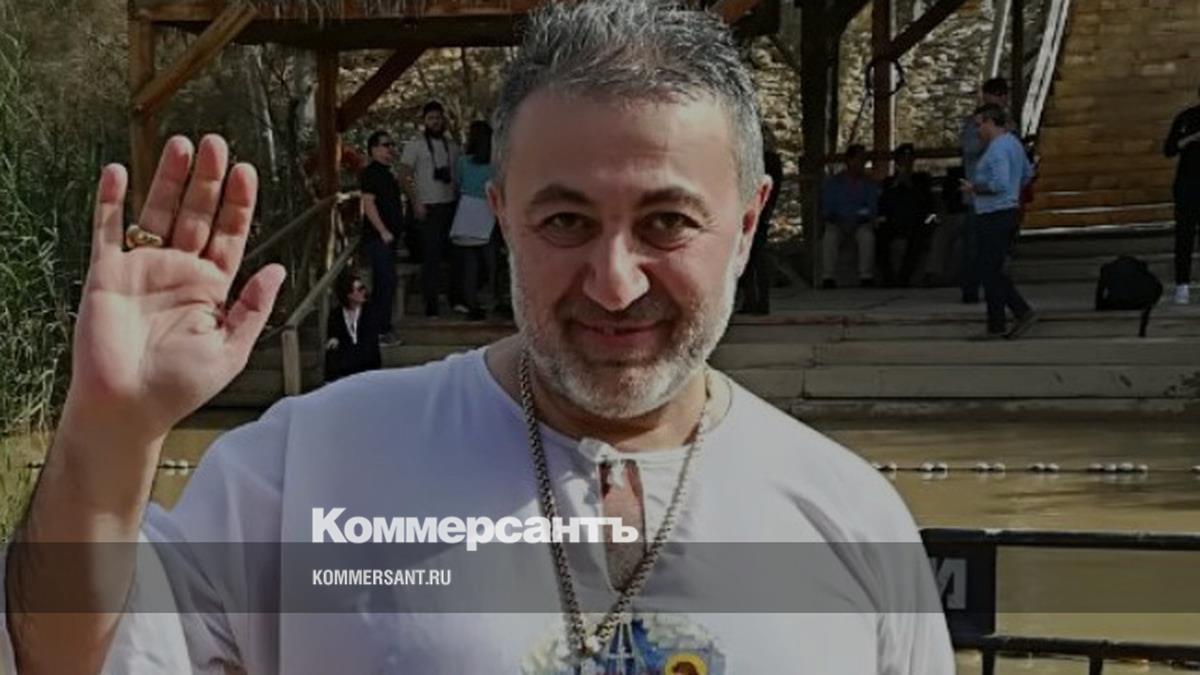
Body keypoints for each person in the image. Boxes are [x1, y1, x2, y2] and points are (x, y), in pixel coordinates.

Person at [2, 3, 954, 673]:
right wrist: (108, 428)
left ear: (747, 223)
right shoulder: (315, 464)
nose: (615, 281)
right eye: (565, 221)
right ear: (500, 215)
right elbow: (60, 659)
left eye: (667, 222)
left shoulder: (849, 518)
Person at [961, 103, 1037, 340]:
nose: (978, 131)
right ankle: (997, 323)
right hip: (1008, 210)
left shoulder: (996, 149)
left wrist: (975, 188)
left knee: (989, 269)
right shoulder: (1014, 144)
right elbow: (1027, 174)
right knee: (992, 268)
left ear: (991, 122)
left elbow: (999, 183)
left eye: (980, 125)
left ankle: (1019, 310)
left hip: (994, 213)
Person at [399, 100, 462, 317]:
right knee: (431, 257)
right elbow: (404, 174)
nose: (435, 122)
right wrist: (415, 201)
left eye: (438, 118)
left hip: (450, 205)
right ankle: (431, 304)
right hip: (428, 206)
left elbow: (457, 176)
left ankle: (456, 299)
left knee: (455, 255)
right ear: (424, 121)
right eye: (431, 118)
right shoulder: (415, 145)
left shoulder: (452, 146)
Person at [959, 77, 1010, 303]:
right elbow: (969, 149)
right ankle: (970, 289)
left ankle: (995, 289)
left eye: (1003, 95)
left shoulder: (1008, 123)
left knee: (998, 247)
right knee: (974, 245)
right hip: (978, 194)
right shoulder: (975, 123)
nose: (1001, 99)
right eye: (996, 94)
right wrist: (989, 135)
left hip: (1002, 195)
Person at [450, 120, 498, 321]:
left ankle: (471, 305)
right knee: (492, 260)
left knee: (470, 262)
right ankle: (495, 299)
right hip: (488, 207)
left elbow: (457, 184)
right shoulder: (495, 164)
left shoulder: (463, 162)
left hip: (466, 208)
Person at [358, 130, 403, 344]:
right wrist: (382, 230)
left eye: (392, 145)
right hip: (378, 238)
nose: (390, 149)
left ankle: (380, 328)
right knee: (385, 282)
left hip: (389, 237)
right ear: (373, 149)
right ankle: (380, 330)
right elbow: (368, 203)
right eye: (385, 145)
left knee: (387, 282)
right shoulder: (371, 173)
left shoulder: (388, 172)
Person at [820, 144, 880, 288]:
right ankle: (828, 277)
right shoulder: (834, 183)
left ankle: (866, 276)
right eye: (858, 159)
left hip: (860, 223)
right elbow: (827, 209)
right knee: (830, 236)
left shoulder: (868, 184)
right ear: (849, 160)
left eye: (863, 160)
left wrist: (858, 219)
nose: (861, 163)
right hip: (838, 223)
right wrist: (840, 221)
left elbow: (871, 207)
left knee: (867, 236)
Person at [737, 126, 783, 314]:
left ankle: (759, 300)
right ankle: (753, 300)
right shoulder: (763, 160)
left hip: (757, 208)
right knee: (751, 256)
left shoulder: (766, 161)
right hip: (755, 208)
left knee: (755, 255)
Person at [876, 143, 935, 287]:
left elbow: (928, 205)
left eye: (909, 158)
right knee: (880, 235)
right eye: (902, 158)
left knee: (918, 237)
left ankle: (904, 277)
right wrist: (896, 184)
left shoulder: (922, 179)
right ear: (897, 161)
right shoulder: (889, 182)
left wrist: (910, 185)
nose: (906, 162)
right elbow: (883, 205)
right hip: (894, 222)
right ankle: (888, 278)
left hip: (915, 222)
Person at [1164, 85, 1200, 305]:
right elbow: (1169, 149)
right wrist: (1191, 138)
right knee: (1184, 236)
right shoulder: (1186, 118)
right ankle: (1182, 285)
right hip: (1187, 184)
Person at [325, 273, 383, 381]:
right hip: (345, 363)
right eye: (359, 289)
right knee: (332, 351)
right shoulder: (336, 315)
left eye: (363, 288)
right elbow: (333, 336)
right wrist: (334, 340)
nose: (363, 292)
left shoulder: (370, 311)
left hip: (366, 362)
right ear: (348, 294)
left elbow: (369, 340)